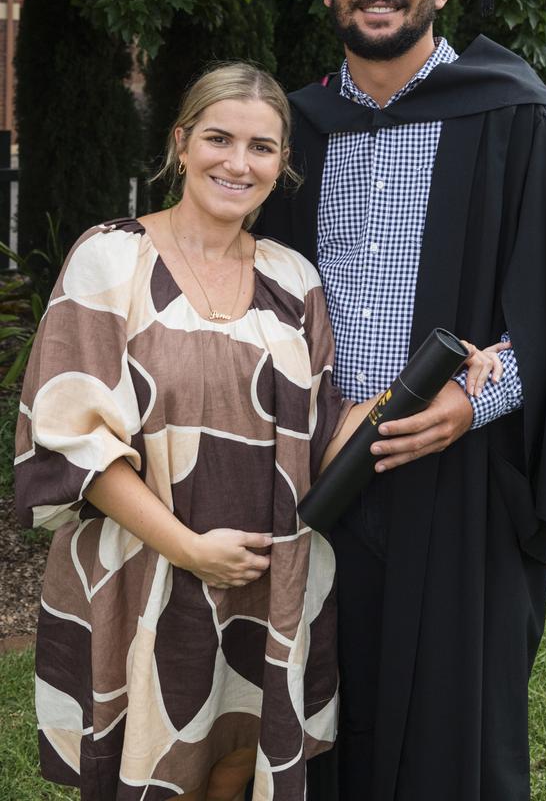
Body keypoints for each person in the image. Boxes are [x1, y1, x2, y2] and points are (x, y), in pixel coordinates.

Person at [256, 0, 546, 801]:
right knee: (311, 720)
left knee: (452, 738)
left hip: (462, 477)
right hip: (310, 467)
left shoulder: (522, 122)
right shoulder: (285, 133)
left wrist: (480, 396)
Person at [14, 61, 500, 801]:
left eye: (263, 147)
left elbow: (326, 434)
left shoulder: (293, 279)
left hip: (264, 582)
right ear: (181, 144)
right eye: (219, 138)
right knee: (152, 770)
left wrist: (445, 377)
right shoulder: (109, 259)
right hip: (146, 574)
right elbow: (74, 439)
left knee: (236, 769)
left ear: (283, 163)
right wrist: (189, 550)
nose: (238, 163)